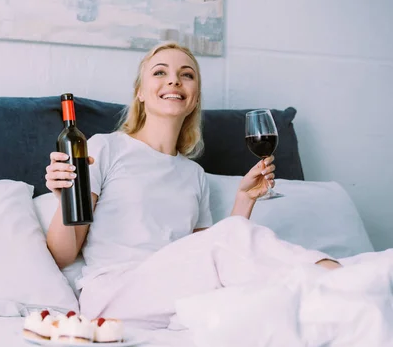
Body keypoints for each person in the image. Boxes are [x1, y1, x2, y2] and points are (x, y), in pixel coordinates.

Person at [44, 41, 340, 329]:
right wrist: (64, 200)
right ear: (140, 93)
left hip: (173, 295)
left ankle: (337, 299)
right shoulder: (104, 149)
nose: (174, 80)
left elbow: (210, 259)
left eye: (186, 75)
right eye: (160, 73)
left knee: (267, 308)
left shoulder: (194, 174)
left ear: (195, 97)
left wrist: (244, 199)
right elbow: (62, 255)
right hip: (113, 296)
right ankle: (338, 279)